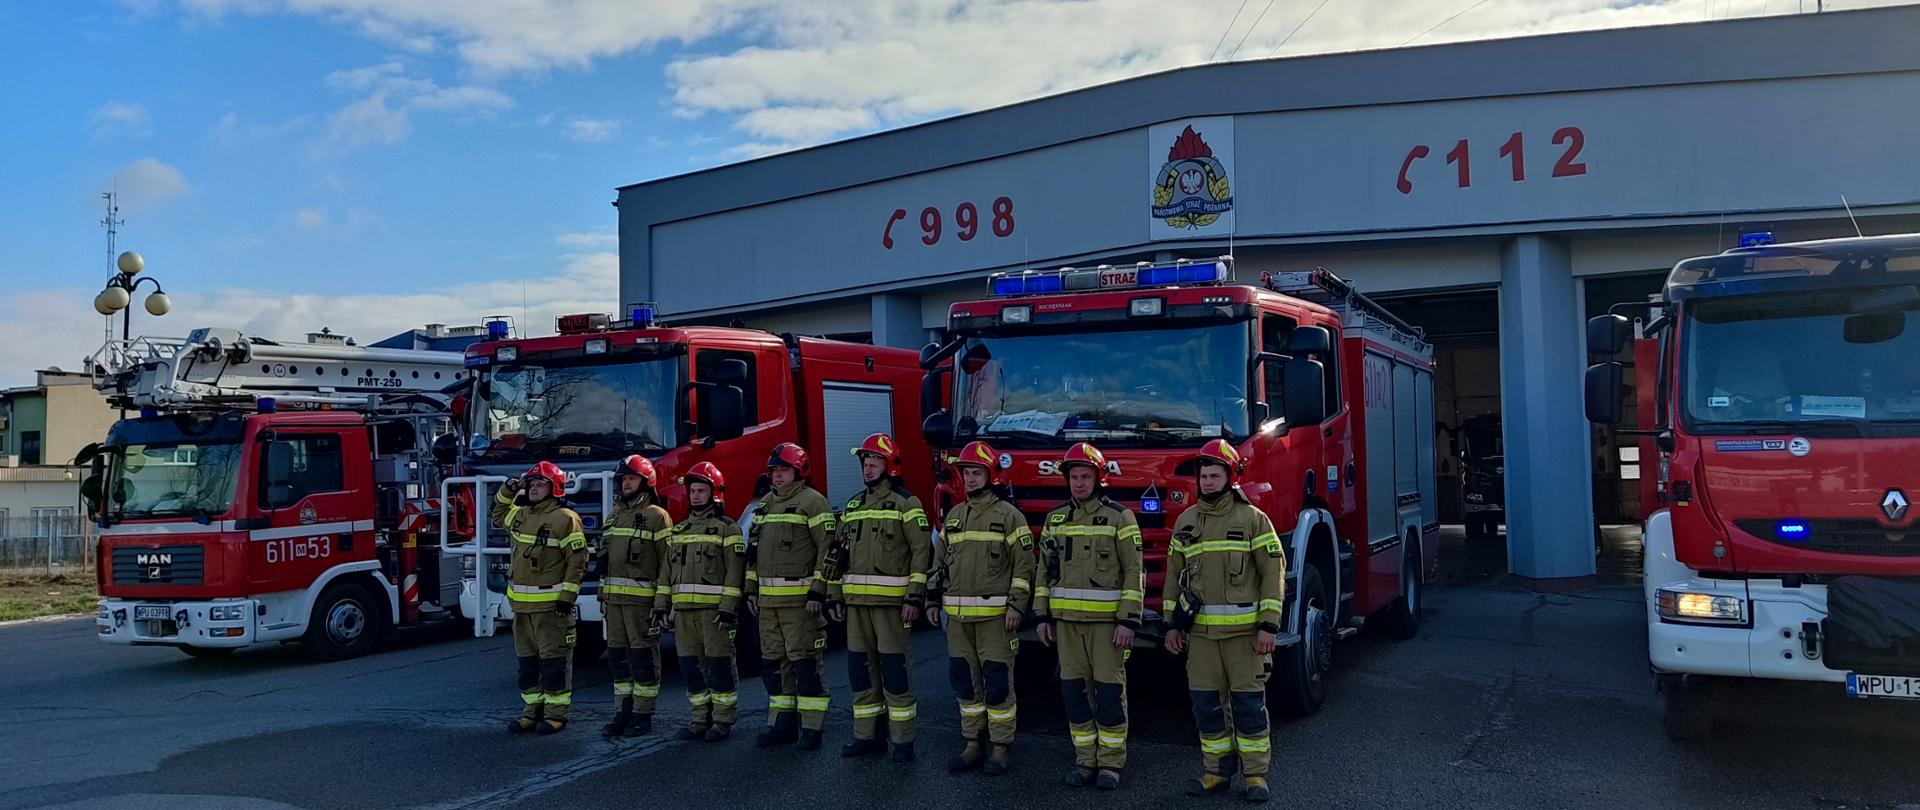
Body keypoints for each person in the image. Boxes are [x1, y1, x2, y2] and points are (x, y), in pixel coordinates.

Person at [1162, 439, 1284, 803]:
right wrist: (1171, 625)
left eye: (1215, 475)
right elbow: (1173, 577)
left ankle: (1256, 775)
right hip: (1200, 638)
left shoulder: (1253, 519)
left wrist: (1268, 625)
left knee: (1248, 707)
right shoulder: (1186, 522)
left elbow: (1273, 574)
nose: (1208, 482)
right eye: (1204, 476)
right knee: (1207, 707)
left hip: (1245, 638)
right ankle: (1215, 771)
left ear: (1230, 477)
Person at [1034, 442, 1142, 790]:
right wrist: (1042, 616)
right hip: (1066, 625)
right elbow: (1044, 570)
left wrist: (1128, 620)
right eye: (1074, 477)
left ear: (1099, 479)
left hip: (1107, 627)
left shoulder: (1120, 518)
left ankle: (1110, 763)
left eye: (1085, 476)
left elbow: (1133, 572)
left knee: (1109, 694)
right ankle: (1085, 760)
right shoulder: (1055, 519)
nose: (1079, 483)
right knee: (1074, 694)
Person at [826, 433, 933, 763]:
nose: (868, 468)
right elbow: (836, 554)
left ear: (891, 466)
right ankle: (867, 737)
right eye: (865, 463)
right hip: (856, 607)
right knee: (861, 675)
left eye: (875, 462)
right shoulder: (853, 506)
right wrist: (833, 595)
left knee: (895, 675)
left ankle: (902, 741)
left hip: (891, 608)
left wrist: (914, 598)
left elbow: (921, 554)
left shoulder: (906, 504)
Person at [935, 440, 1034, 777]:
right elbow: (939, 566)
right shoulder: (954, 517)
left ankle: (1001, 747)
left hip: (996, 620)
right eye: (966, 473)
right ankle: (972, 743)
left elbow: (1024, 568)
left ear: (991, 475)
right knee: (965, 683)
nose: (970, 479)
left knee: (997, 684)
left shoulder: (1009, 517)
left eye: (976, 472)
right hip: (958, 621)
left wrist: (1017, 607)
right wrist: (932, 601)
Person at [746, 443, 837, 750]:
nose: (777, 476)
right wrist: (751, 590)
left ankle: (812, 728)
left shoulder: (813, 502)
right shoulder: (765, 504)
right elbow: (753, 553)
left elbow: (827, 552)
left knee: (805, 666)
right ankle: (783, 725)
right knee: (774, 666)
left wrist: (818, 591)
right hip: (768, 605)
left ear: (800, 472)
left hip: (800, 604)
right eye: (774, 471)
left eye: (784, 470)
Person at [491, 461, 588, 735]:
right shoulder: (521, 515)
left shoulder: (566, 519)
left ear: (554, 488)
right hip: (522, 610)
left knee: (554, 664)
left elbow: (577, 562)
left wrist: (567, 596)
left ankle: (556, 715)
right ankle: (531, 712)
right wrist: (510, 488)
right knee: (527, 666)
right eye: (531, 484)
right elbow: (497, 514)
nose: (533, 489)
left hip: (551, 609)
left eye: (540, 484)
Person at [656, 462, 746, 742]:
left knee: (719, 668)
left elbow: (735, 573)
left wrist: (728, 609)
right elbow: (666, 573)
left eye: (701, 491)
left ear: (714, 493)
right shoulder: (679, 530)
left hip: (714, 615)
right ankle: (698, 720)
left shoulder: (728, 529)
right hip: (684, 616)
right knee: (691, 670)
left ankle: (722, 721)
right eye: (692, 491)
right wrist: (661, 605)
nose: (695, 496)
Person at [600, 455, 674, 738]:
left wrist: (661, 603)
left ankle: (643, 714)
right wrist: (602, 596)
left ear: (646, 482)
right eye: (623, 479)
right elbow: (605, 560)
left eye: (632, 478)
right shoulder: (614, 515)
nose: (626, 483)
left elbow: (667, 563)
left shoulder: (657, 516)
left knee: (643, 659)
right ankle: (623, 712)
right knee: (618, 659)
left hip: (642, 604)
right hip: (614, 604)